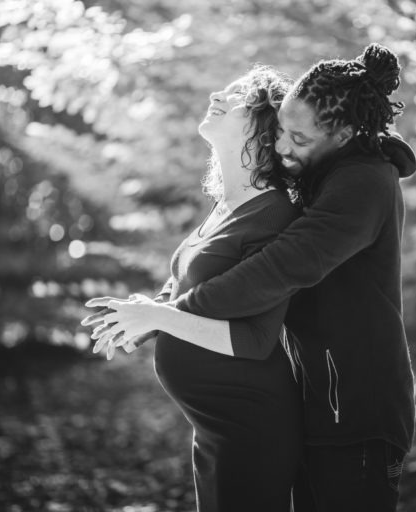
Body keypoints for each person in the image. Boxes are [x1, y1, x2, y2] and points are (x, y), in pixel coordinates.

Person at [92, 42, 416, 511]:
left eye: (299, 139)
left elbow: (278, 268)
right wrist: (156, 316)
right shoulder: (325, 172)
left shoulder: (363, 184)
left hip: (358, 413)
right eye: (281, 130)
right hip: (318, 406)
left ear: (345, 133)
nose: (282, 145)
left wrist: (166, 317)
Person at [84, 65, 302, 512]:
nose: (220, 92)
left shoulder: (274, 215)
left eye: (241, 94)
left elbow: (255, 338)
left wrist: (159, 317)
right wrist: (142, 315)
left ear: (265, 125)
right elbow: (189, 288)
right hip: (215, 427)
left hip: (250, 425)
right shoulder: (227, 207)